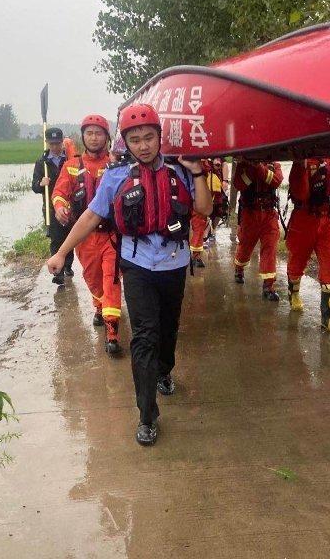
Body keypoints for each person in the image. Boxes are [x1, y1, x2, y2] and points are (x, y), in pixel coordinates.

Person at [46, 103, 212, 446]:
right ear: (126, 143)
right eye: (135, 139)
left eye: (149, 137)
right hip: (137, 267)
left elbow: (204, 209)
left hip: (175, 264)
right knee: (144, 337)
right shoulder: (117, 177)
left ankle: (165, 370)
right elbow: (90, 217)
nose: (143, 145)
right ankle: (147, 415)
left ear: (159, 138)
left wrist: (197, 172)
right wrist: (61, 253)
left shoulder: (180, 172)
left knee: (168, 331)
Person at [52, 114, 122, 356]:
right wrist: (59, 207)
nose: (94, 137)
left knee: (111, 278)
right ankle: (99, 306)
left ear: (107, 137)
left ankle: (112, 333)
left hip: (111, 234)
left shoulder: (115, 164)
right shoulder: (71, 165)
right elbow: (59, 192)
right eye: (89, 133)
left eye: (99, 133)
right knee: (93, 278)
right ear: (83, 137)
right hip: (84, 238)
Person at [285, 156, 330, 334]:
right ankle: (294, 294)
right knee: (297, 262)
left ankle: (328, 317)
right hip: (304, 218)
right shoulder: (306, 158)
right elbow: (300, 192)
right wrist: (301, 163)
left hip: (328, 220)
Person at [233, 156, 284, 301]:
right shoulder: (243, 165)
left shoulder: (275, 164)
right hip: (250, 214)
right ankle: (239, 269)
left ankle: (268, 286)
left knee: (270, 248)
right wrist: (252, 167)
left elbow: (276, 181)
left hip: (269, 214)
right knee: (245, 246)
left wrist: (258, 167)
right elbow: (239, 185)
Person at [32, 127, 74, 286]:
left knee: (70, 237)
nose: (55, 147)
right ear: (47, 143)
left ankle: (68, 264)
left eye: (58, 143)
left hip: (69, 206)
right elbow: (34, 187)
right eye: (52, 144)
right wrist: (41, 184)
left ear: (62, 142)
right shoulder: (41, 162)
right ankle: (58, 272)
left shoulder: (69, 160)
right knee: (56, 239)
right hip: (51, 208)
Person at [188, 159, 213, 267]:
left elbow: (206, 170)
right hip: (191, 198)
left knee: (199, 227)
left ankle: (195, 255)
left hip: (198, 198)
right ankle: (194, 255)